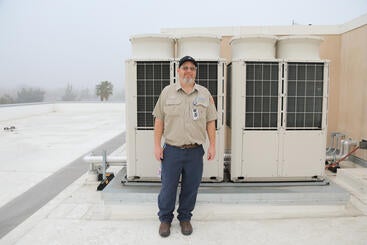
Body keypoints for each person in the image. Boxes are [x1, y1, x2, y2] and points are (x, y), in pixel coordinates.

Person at [152, 56, 217, 237]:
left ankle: (185, 218)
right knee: (168, 187)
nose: (188, 71)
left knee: (191, 187)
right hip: (172, 150)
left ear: (195, 72)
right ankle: (165, 219)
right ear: (178, 71)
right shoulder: (167, 92)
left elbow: (211, 121)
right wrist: (157, 146)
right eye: (185, 68)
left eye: (192, 68)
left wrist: (212, 146)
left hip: (195, 152)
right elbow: (159, 120)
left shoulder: (204, 94)